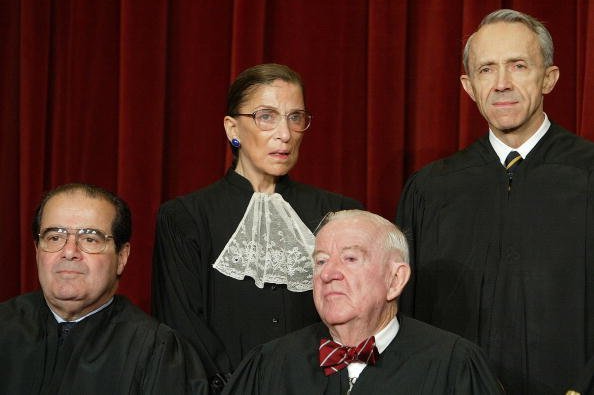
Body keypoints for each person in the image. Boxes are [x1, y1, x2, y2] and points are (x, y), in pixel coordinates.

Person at [396, 9, 594, 394]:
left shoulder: (588, 174)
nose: (501, 84)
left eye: (518, 66)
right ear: (469, 86)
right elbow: (407, 313)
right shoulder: (432, 189)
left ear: (548, 79)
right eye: (486, 70)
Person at [151, 63, 363, 392]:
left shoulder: (339, 214)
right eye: (266, 116)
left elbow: (360, 314)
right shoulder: (186, 217)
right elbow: (182, 328)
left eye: (295, 117)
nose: (285, 133)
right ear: (232, 128)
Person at [222, 209, 503, 394]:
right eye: (320, 261)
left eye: (350, 259)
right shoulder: (271, 365)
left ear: (395, 279)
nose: (329, 273)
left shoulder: (453, 366)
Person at [0, 183, 208, 395]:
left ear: (121, 257)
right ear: (37, 251)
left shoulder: (156, 350)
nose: (70, 251)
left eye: (90, 239)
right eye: (55, 238)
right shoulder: (4, 327)